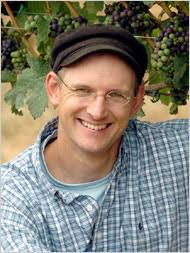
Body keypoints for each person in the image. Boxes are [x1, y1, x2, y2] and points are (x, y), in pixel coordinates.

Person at [1, 25, 188, 252]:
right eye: (82, 90)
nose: (98, 111)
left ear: (137, 100)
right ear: (53, 89)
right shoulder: (10, 197)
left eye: (115, 94)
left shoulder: (177, 152)